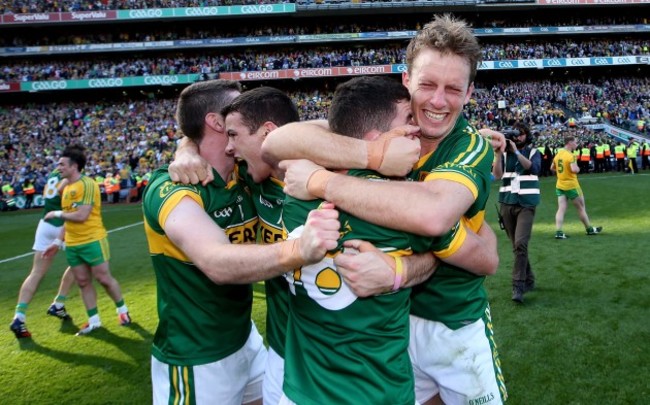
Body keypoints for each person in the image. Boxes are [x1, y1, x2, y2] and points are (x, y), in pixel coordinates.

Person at [171, 78, 498, 404]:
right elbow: (485, 257)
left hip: (302, 379)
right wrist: (187, 148)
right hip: (313, 369)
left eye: (234, 135)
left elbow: (289, 140)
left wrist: (397, 269)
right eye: (409, 122)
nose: (416, 132)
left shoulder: (298, 180)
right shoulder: (402, 205)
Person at [264, 14, 507, 405]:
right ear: (406, 80)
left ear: (470, 92)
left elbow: (436, 219)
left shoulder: (469, 146)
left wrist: (321, 181)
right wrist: (371, 153)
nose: (438, 101)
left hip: (453, 323)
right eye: (427, 84)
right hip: (393, 329)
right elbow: (275, 144)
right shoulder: (382, 128)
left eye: (453, 89)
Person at [143, 80, 340, 405]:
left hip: (248, 340)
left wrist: (187, 146)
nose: (246, 107)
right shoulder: (173, 189)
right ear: (217, 122)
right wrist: (299, 249)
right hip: (197, 357)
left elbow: (315, 130)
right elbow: (217, 262)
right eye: (237, 107)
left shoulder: (247, 178)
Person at [43, 145, 131, 336]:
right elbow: (68, 218)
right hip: (73, 243)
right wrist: (58, 242)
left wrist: (56, 212)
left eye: (62, 165)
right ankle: (94, 321)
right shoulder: (65, 188)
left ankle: (123, 311)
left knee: (104, 279)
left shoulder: (87, 184)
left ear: (74, 166)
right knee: (83, 281)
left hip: (93, 239)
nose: (58, 168)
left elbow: (82, 215)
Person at [9, 167, 77, 339]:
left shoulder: (54, 172)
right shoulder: (71, 173)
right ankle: (59, 303)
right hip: (63, 222)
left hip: (45, 222)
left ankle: (19, 316)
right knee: (80, 263)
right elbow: (68, 199)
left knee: (36, 272)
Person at [488, 124, 541, 304]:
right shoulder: (503, 154)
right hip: (507, 202)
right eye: (514, 135)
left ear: (526, 136)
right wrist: (498, 153)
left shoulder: (533, 151)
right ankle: (530, 278)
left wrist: (517, 152)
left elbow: (532, 168)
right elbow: (497, 175)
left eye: (520, 134)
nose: (517, 137)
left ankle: (518, 286)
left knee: (520, 243)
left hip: (527, 203)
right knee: (517, 246)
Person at [551, 135, 603, 239]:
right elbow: (574, 170)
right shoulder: (570, 156)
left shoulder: (559, 154)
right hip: (571, 185)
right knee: (581, 208)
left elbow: (552, 168)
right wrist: (578, 168)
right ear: (569, 143)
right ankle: (589, 229)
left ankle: (559, 232)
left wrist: (563, 173)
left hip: (560, 184)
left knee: (561, 209)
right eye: (575, 142)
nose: (576, 144)